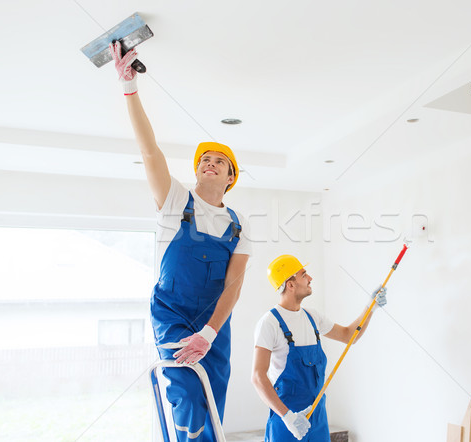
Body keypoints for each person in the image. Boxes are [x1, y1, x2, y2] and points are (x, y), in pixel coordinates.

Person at [109, 42, 252, 442]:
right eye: (204, 159)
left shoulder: (239, 225)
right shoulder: (175, 201)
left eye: (219, 161)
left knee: (213, 403)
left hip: (215, 325)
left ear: (230, 178)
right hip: (172, 315)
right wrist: (129, 88)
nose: (209, 162)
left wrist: (209, 333)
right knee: (187, 396)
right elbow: (149, 150)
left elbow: (234, 285)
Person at [251, 255, 386, 441]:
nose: (310, 279)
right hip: (287, 421)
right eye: (304, 274)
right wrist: (288, 418)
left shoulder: (312, 317)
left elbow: (349, 336)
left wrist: (370, 308)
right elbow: (258, 377)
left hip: (318, 418)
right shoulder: (269, 323)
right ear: (290, 284)